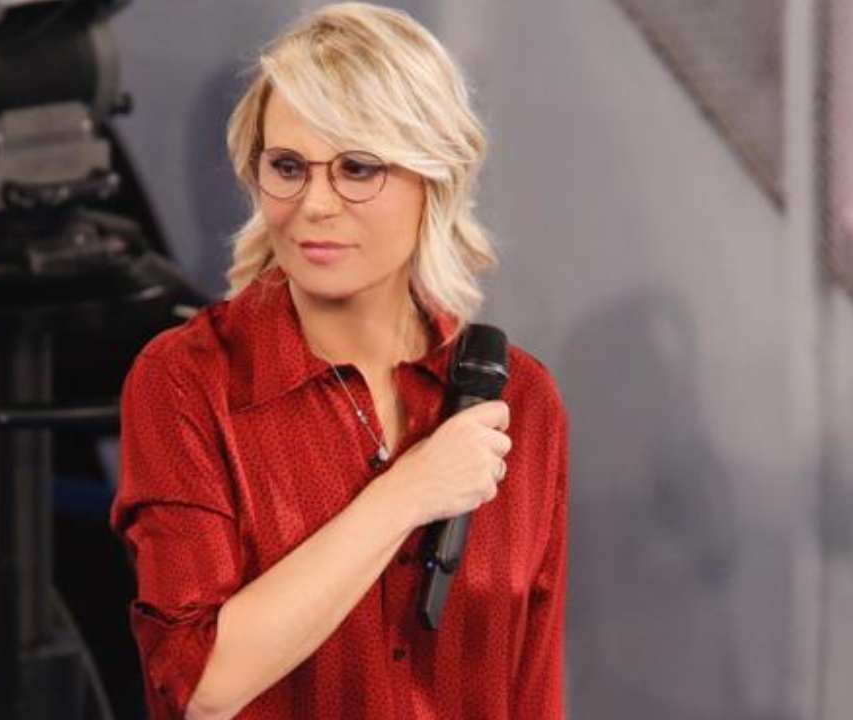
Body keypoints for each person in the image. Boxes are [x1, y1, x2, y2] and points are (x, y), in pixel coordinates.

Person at [109, 4, 569, 718]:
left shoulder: (520, 399)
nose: (315, 204)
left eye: (358, 168)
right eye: (288, 167)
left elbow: (532, 687)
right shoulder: (189, 381)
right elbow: (198, 685)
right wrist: (407, 493)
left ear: (434, 177)